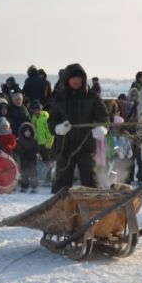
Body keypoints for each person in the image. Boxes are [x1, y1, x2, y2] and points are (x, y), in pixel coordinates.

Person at [48, 63, 108, 193]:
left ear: (84, 79)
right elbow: (51, 123)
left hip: (85, 146)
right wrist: (58, 128)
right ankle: (62, 210)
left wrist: (102, 128)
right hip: (64, 147)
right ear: (67, 79)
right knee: (61, 186)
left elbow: (104, 117)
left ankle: (93, 210)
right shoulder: (59, 98)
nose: (76, 80)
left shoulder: (92, 97)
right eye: (73, 78)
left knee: (90, 182)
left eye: (79, 78)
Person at [17, 122, 40, 192]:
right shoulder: (20, 141)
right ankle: (24, 187)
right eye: (26, 132)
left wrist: (37, 153)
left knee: (33, 173)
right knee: (24, 174)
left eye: (29, 131)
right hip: (24, 160)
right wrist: (23, 152)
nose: (28, 133)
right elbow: (19, 150)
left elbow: (37, 149)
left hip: (33, 159)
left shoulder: (34, 141)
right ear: (23, 133)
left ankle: (34, 186)